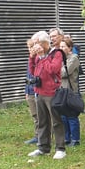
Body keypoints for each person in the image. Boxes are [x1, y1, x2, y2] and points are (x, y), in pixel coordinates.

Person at [28, 32, 67, 160]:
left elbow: (52, 70)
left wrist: (42, 56)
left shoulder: (57, 53)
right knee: (42, 121)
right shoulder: (39, 55)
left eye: (37, 43)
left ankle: (60, 148)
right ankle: (43, 147)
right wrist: (32, 57)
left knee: (56, 121)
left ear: (45, 43)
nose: (35, 46)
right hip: (39, 92)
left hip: (52, 92)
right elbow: (33, 71)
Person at [59, 38, 82, 147]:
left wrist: (56, 66)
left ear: (69, 48)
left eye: (64, 46)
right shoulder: (61, 59)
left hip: (71, 91)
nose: (61, 48)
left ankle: (75, 139)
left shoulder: (74, 59)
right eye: (60, 47)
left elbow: (64, 72)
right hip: (61, 91)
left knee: (72, 116)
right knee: (63, 116)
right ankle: (66, 138)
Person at [24, 35, 41, 145]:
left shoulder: (40, 59)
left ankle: (43, 136)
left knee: (41, 115)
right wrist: (26, 91)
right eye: (29, 47)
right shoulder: (29, 60)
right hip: (30, 91)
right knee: (34, 115)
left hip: (39, 91)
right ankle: (37, 135)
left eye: (32, 47)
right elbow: (28, 76)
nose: (30, 49)